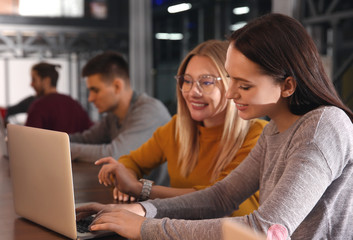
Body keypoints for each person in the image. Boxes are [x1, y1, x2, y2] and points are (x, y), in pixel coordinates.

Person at [76, 13, 353, 240]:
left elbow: (266, 230)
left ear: (288, 85)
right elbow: (222, 196)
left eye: (244, 85)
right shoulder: (274, 131)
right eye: (230, 79)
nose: (231, 94)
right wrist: (141, 210)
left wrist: (145, 228)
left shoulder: (323, 127)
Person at [94, 40, 267, 218]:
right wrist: (126, 180)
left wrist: (139, 189)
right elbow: (131, 161)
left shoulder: (259, 134)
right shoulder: (177, 128)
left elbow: (216, 199)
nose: (193, 92)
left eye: (206, 82)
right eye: (187, 81)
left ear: (231, 84)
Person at [69, 51, 171, 184]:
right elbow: (85, 140)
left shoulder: (149, 110)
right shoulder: (113, 117)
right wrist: (55, 142)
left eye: (95, 90)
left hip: (157, 201)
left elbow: (116, 154)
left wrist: (64, 150)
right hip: (133, 196)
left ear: (117, 86)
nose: (90, 98)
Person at [25, 62, 93, 134]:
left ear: (46, 81)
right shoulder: (73, 103)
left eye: (34, 80)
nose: (31, 84)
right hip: (75, 145)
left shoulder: (38, 106)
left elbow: (30, 138)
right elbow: (90, 130)